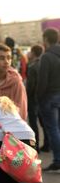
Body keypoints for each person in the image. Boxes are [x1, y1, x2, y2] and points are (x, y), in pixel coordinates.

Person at [0, 44, 28, 120]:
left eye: (9, 58)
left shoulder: (16, 82)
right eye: (1, 58)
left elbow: (22, 111)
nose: (6, 61)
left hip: (11, 127)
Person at [37, 28, 60, 171]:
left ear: (46, 39)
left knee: (52, 129)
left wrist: (38, 98)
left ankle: (58, 160)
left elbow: (42, 81)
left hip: (49, 97)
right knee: (57, 128)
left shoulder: (46, 57)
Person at [26, 45, 47, 152]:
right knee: (44, 123)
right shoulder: (44, 64)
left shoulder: (32, 66)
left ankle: (36, 146)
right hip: (43, 97)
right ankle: (47, 144)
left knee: (34, 124)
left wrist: (27, 95)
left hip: (33, 99)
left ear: (33, 53)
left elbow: (30, 85)